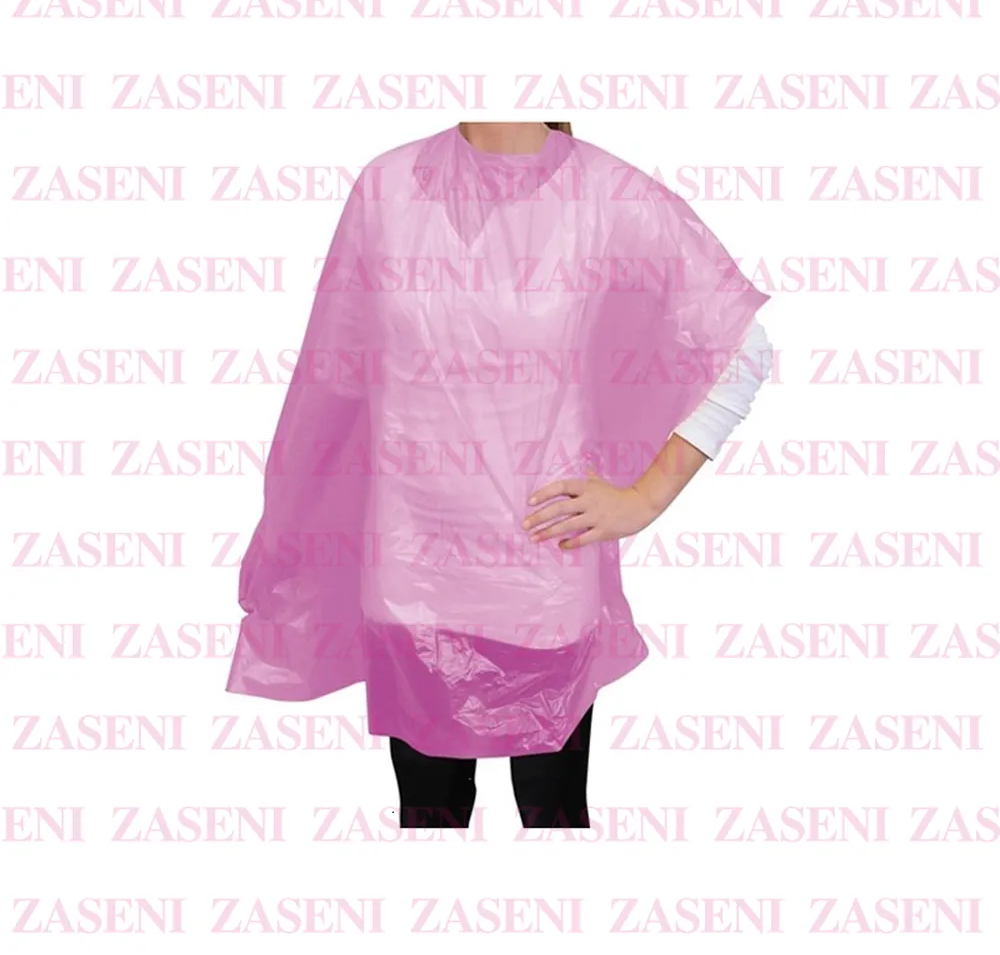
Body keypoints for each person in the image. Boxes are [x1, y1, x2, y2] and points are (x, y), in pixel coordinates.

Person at [227, 121, 772, 829]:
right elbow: (332, 377)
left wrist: (645, 498)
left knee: (552, 817)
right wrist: (291, 529)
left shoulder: (605, 195)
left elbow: (740, 345)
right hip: (410, 576)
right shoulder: (388, 189)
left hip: (541, 575)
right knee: (430, 818)